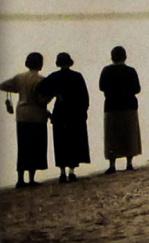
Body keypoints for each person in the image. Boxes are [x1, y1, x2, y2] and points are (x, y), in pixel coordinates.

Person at [37, 53, 90, 183]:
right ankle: (72, 171)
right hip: (75, 113)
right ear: (70, 62)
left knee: (61, 143)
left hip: (60, 112)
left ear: (58, 63)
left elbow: (40, 88)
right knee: (73, 142)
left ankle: (62, 172)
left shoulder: (54, 77)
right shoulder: (77, 76)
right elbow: (85, 97)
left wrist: (54, 94)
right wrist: (83, 112)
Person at [1, 52, 50, 188]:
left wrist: (13, 92)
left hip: (22, 115)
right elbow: (42, 100)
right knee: (35, 147)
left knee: (23, 147)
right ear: (40, 64)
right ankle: (31, 178)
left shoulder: (19, 78)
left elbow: (3, 85)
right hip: (37, 115)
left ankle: (20, 179)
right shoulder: (41, 80)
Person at [99, 46, 142, 173]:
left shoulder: (106, 71)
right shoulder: (131, 71)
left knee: (112, 137)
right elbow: (137, 89)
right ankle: (129, 163)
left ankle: (112, 165)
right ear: (125, 57)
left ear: (112, 57)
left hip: (112, 106)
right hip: (129, 106)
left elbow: (101, 87)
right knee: (129, 134)